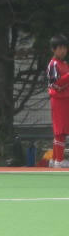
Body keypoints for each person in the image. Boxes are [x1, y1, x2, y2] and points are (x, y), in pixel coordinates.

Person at [46, 34, 69, 168]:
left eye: (65, 48)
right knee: (60, 130)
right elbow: (55, 84)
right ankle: (59, 160)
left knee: (63, 130)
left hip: (66, 99)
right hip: (58, 100)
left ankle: (54, 159)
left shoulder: (64, 64)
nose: (63, 51)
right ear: (53, 49)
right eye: (60, 48)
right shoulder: (53, 64)